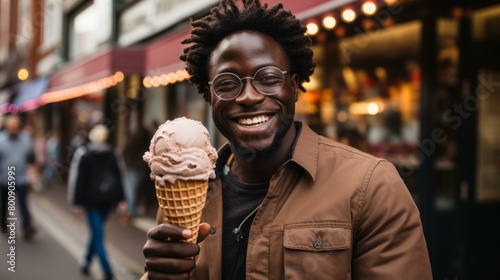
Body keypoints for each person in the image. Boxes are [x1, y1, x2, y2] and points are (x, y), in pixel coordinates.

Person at [141, 1, 432, 279]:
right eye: (227, 83)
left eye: (267, 77)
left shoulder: (372, 187)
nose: (249, 96)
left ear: (293, 87)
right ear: (210, 97)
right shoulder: (188, 187)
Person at [68, 124, 126, 280]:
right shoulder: (112, 154)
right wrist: (121, 199)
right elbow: (119, 176)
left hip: (91, 202)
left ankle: (106, 272)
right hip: (107, 201)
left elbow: (79, 181)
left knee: (97, 236)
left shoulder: (85, 156)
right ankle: (92, 264)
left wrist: (76, 203)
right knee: (97, 235)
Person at [0, 115, 37, 240]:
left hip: (21, 178)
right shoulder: (1, 140)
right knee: (3, 203)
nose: (13, 130)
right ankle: (3, 224)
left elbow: (31, 158)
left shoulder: (26, 139)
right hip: (5, 178)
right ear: (7, 127)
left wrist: (32, 174)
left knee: (23, 202)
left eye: (15, 128)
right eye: (11, 128)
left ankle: (26, 226)